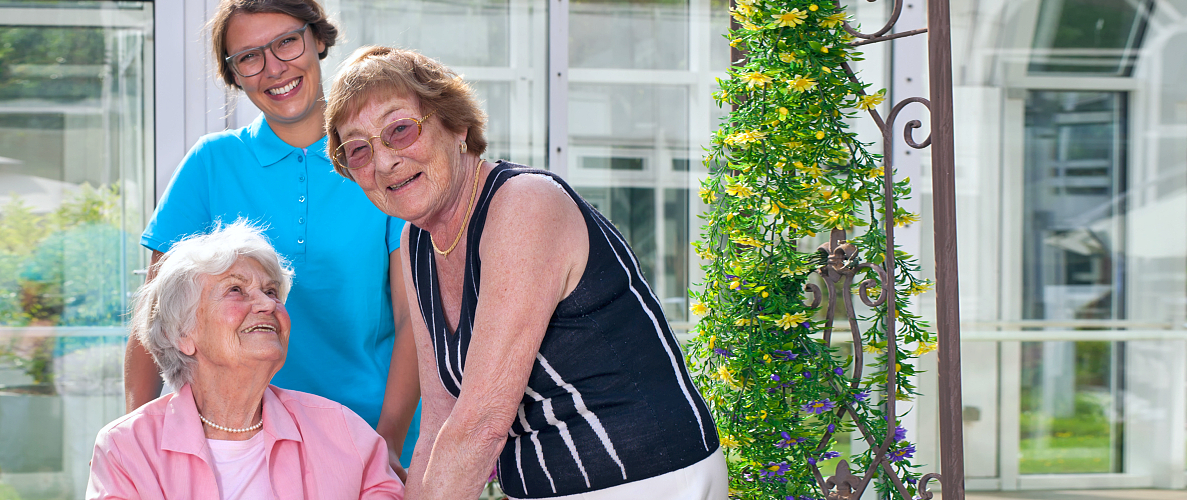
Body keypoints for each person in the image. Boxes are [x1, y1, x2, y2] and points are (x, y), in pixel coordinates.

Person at [324, 46, 726, 500]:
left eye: (400, 130)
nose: (383, 162)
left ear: (457, 126)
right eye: (358, 150)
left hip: (647, 479)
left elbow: (481, 424)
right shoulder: (417, 242)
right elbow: (441, 416)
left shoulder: (524, 205)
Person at [130, 0, 420, 465]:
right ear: (236, 75)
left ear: (318, 39)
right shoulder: (210, 164)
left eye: (286, 42)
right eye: (249, 56)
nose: (273, 68)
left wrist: (387, 439)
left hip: (368, 436)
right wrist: (137, 444)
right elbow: (156, 319)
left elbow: (415, 318)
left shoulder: (376, 157)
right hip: (235, 442)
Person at [89, 222, 403, 500]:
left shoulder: (347, 434)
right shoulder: (127, 449)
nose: (267, 303)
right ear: (182, 333)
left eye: (271, 291)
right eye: (236, 290)